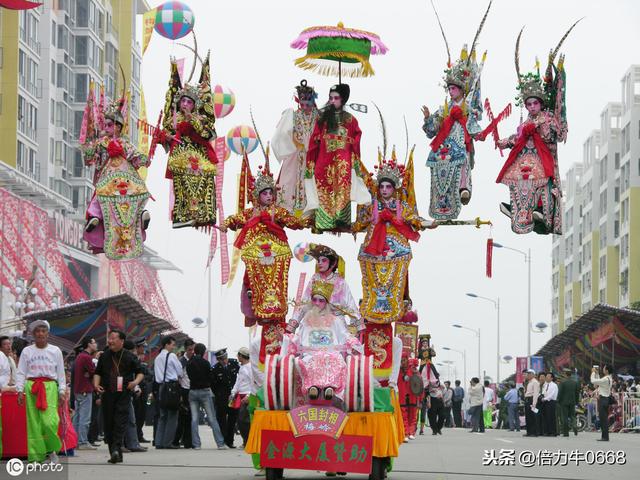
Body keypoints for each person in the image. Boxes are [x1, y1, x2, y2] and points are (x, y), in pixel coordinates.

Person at [221, 158, 309, 328]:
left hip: (277, 254)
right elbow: (236, 218)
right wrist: (226, 224)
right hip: (256, 254)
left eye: (270, 193)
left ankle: (275, 308)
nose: (268, 196)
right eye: (264, 193)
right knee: (254, 279)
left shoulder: (278, 211)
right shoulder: (252, 212)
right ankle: (254, 301)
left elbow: (293, 221)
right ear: (258, 195)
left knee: (276, 282)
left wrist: (307, 220)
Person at [421, 4, 491, 221]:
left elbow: (474, 119)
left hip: (461, 142)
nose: (451, 92)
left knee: (461, 160)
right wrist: (427, 120)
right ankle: (441, 201)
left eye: (454, 88)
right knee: (437, 165)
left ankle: (464, 190)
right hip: (445, 144)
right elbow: (434, 129)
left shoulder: (467, 106)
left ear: (462, 89)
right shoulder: (445, 108)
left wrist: (477, 132)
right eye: (449, 88)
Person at [81, 96, 151, 260]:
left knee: (133, 198)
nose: (107, 127)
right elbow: (89, 159)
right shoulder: (101, 143)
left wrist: (145, 159)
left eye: (110, 125)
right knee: (100, 198)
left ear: (118, 127)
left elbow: (137, 157)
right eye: (105, 125)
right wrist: (88, 145)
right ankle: (96, 219)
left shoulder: (125, 144)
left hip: (123, 181)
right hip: (110, 179)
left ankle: (140, 217)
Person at [158, 54, 218, 228]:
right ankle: (182, 215)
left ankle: (205, 214)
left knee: (204, 183)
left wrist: (192, 120)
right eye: (183, 101)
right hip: (181, 155)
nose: (185, 104)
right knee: (182, 186)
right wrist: (165, 137)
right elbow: (165, 135)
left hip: (199, 155)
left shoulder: (200, 117)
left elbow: (209, 133)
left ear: (194, 105)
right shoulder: (173, 119)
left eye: (189, 102)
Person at [281, 280, 362, 402]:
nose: (317, 303)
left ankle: (330, 388)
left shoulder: (335, 320)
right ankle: (313, 388)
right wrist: (287, 339)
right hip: (310, 354)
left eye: (321, 300)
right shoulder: (305, 320)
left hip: (332, 354)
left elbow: (345, 335)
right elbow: (298, 337)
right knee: (311, 361)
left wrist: (353, 342)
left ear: (326, 303)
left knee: (336, 360)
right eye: (314, 300)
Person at [305, 83, 370, 233]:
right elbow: (314, 140)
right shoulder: (322, 118)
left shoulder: (351, 120)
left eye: (336, 98)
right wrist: (311, 162)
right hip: (324, 160)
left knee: (343, 189)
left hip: (343, 161)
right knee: (323, 187)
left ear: (344, 99)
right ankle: (322, 222)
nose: (332, 101)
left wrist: (354, 159)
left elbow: (357, 138)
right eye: (330, 98)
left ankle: (342, 221)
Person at [15, 320, 66, 463]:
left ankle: (52, 450)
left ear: (47, 334)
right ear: (33, 334)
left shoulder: (55, 351)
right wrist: (19, 390)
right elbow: (21, 372)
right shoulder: (27, 351)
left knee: (50, 422)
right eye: (37, 331)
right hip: (31, 388)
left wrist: (62, 390)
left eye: (43, 331)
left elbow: (61, 373)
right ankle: (36, 457)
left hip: (49, 387)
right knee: (34, 424)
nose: (40, 333)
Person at [93, 329, 144, 464]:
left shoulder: (129, 356)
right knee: (108, 423)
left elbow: (140, 372)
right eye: (109, 338)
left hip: (123, 394)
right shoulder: (104, 356)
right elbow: (97, 372)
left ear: (121, 341)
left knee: (120, 422)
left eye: (113, 338)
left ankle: (116, 449)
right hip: (108, 393)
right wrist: (96, 385)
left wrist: (135, 382)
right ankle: (115, 452)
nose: (110, 341)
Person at [289, 244, 363, 334]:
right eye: (318, 260)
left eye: (323, 260)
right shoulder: (314, 279)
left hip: (335, 324)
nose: (319, 263)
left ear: (333, 263)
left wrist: (360, 327)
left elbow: (350, 304)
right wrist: (293, 324)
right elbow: (304, 302)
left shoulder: (340, 282)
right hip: (314, 321)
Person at [272, 79, 319, 215]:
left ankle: (313, 209)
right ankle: (289, 209)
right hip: (297, 153)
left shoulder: (319, 116)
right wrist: (297, 145)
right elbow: (283, 134)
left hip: (313, 154)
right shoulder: (292, 115)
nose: (305, 107)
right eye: (302, 103)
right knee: (290, 180)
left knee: (313, 181)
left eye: (307, 103)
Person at [186, 343, 226, 450]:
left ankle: (196, 444)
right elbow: (210, 377)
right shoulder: (206, 363)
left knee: (194, 419)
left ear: (195, 351)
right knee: (212, 418)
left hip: (193, 392)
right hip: (204, 391)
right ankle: (220, 443)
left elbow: (189, 376)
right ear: (203, 352)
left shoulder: (189, 363)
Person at [154, 336, 183, 449]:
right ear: (166, 344)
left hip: (161, 387)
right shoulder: (171, 356)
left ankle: (159, 442)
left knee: (162, 416)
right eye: (172, 344)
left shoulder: (157, 358)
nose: (173, 347)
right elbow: (180, 371)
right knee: (172, 416)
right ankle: (168, 443)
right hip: (172, 387)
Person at [211, 348, 240, 448]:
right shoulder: (215, 369)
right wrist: (219, 395)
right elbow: (213, 385)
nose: (224, 360)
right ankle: (222, 440)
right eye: (221, 359)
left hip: (233, 397)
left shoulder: (234, 363)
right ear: (218, 360)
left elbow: (240, 377)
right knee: (222, 420)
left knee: (232, 419)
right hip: (222, 398)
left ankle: (230, 441)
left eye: (225, 358)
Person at [122, 340, 147, 453]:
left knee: (131, 419)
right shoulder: (124, 360)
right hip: (121, 393)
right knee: (122, 420)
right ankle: (123, 444)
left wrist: (135, 386)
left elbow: (133, 375)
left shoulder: (129, 359)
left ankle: (132, 443)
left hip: (127, 392)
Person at [73, 336, 98, 450]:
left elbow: (90, 373)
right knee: (85, 418)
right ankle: (83, 441)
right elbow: (94, 372)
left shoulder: (80, 356)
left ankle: (76, 441)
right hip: (85, 390)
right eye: (94, 342)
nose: (96, 344)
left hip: (78, 390)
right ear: (89, 344)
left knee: (77, 417)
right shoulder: (86, 358)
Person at [173, 339, 195, 449]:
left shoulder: (193, 360)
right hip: (184, 391)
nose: (192, 351)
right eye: (190, 350)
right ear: (185, 349)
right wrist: (180, 395)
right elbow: (177, 378)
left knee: (189, 417)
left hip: (191, 390)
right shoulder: (181, 362)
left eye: (193, 349)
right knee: (183, 417)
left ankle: (186, 441)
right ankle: (178, 440)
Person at [229, 347, 252, 447]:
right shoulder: (242, 367)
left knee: (243, 420)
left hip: (246, 397)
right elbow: (238, 382)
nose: (237, 357)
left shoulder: (250, 367)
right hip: (239, 396)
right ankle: (246, 441)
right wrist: (233, 392)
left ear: (242, 356)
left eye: (238, 355)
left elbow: (253, 383)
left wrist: (249, 396)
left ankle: (247, 441)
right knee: (240, 420)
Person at [397, 354, 420, 439]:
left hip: (412, 396)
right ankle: (405, 433)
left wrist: (420, 400)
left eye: (404, 360)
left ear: (407, 360)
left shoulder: (414, 370)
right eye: (401, 360)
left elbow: (419, 385)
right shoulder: (397, 370)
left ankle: (411, 432)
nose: (402, 362)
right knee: (403, 416)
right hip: (402, 396)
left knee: (412, 416)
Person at [133, 338, 151, 443]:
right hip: (137, 390)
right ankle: (136, 436)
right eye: (143, 347)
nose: (144, 349)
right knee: (137, 414)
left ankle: (139, 434)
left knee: (142, 414)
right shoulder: (134, 359)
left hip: (143, 389)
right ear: (138, 347)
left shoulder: (140, 360)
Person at [591, 365, 613, 441]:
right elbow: (597, 384)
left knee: (603, 419)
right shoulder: (608, 378)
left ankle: (605, 437)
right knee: (603, 418)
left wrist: (593, 373)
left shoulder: (606, 379)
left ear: (607, 370)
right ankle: (604, 436)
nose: (602, 369)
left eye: (604, 368)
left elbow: (593, 381)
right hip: (605, 399)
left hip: (603, 400)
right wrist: (597, 374)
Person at [557, 370, 580, 436]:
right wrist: (576, 401)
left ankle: (566, 432)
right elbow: (577, 393)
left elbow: (560, 393)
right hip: (572, 402)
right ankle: (575, 426)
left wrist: (558, 400)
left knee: (564, 417)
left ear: (565, 375)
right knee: (573, 416)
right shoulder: (575, 383)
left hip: (564, 402)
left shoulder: (563, 382)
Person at [523, 369, 540, 437]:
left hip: (531, 400)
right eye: (527, 374)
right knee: (528, 417)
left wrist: (534, 404)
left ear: (533, 375)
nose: (527, 375)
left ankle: (534, 432)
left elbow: (536, 393)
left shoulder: (535, 382)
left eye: (529, 374)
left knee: (533, 417)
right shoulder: (529, 382)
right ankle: (529, 432)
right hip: (527, 400)